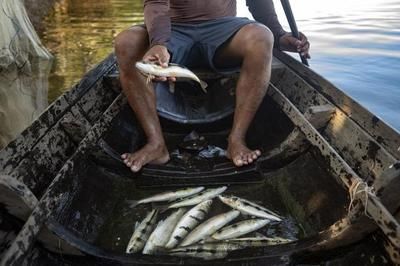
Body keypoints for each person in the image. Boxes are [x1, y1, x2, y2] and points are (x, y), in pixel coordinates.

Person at [115, 0, 310, 172]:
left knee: (262, 36)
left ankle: (236, 140)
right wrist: (159, 42)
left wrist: (279, 35)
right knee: (127, 42)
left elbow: (258, 2)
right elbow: (156, 3)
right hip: (173, 29)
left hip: (224, 30)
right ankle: (156, 144)